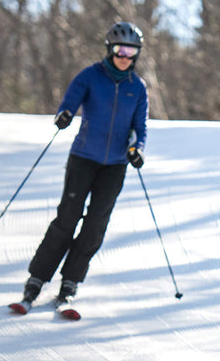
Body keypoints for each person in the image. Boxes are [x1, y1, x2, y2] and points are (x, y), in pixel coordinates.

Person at [16, 21, 149, 308]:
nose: (124, 56)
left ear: (136, 54)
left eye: (130, 51)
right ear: (109, 50)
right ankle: (37, 278)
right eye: (119, 49)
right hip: (83, 159)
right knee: (67, 218)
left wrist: (137, 150)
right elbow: (70, 102)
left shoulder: (137, 88)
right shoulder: (91, 76)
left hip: (114, 165)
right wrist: (64, 115)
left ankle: (70, 281)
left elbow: (140, 127)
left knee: (95, 225)